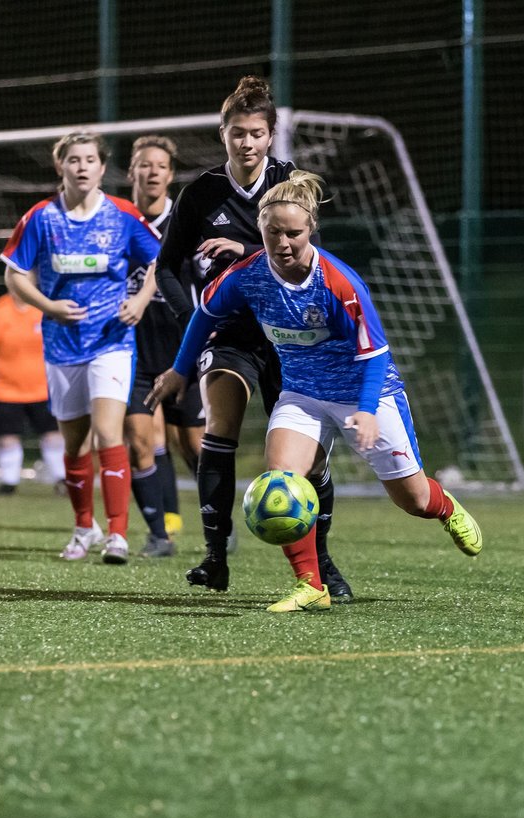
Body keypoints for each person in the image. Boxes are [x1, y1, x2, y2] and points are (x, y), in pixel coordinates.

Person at [149, 170, 482, 613]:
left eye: (294, 233)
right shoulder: (246, 276)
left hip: (365, 392)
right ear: (261, 230)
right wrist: (178, 370)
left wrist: (364, 410)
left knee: (413, 500)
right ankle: (311, 585)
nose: (283, 243)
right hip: (302, 394)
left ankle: (447, 510)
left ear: (311, 230)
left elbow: (375, 352)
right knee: (282, 480)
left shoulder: (338, 284)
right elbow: (204, 316)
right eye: (272, 233)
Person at [150, 75, 351, 600]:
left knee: (311, 459)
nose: (247, 143)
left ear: (270, 136)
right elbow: (167, 266)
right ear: (223, 134)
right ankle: (216, 558)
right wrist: (190, 314)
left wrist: (244, 252)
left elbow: (307, 255)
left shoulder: (290, 185)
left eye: (257, 133)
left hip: (291, 335)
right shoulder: (201, 193)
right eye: (237, 132)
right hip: (231, 331)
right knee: (219, 427)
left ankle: (322, 565)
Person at [0, 130, 162, 564]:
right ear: (61, 166)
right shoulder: (41, 218)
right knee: (74, 446)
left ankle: (117, 535)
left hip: (111, 342)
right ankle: (82, 527)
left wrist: (141, 300)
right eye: (74, 159)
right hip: (62, 345)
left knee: (109, 433)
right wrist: (48, 305)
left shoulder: (123, 215)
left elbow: (159, 261)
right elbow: (14, 275)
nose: (83, 166)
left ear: (102, 167)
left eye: (90, 159)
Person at [122, 134, 205, 558]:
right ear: (131, 171)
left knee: (193, 445)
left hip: (182, 350)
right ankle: (159, 533)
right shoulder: (117, 221)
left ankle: (216, 522)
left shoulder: (186, 222)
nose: (152, 172)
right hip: (132, 350)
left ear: (170, 176)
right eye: (144, 165)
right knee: (139, 439)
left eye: (160, 166)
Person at [0, 291, 67, 495]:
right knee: (7, 437)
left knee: (53, 435)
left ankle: (62, 479)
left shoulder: (45, 307)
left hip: (43, 388)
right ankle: (9, 483)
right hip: (5, 390)